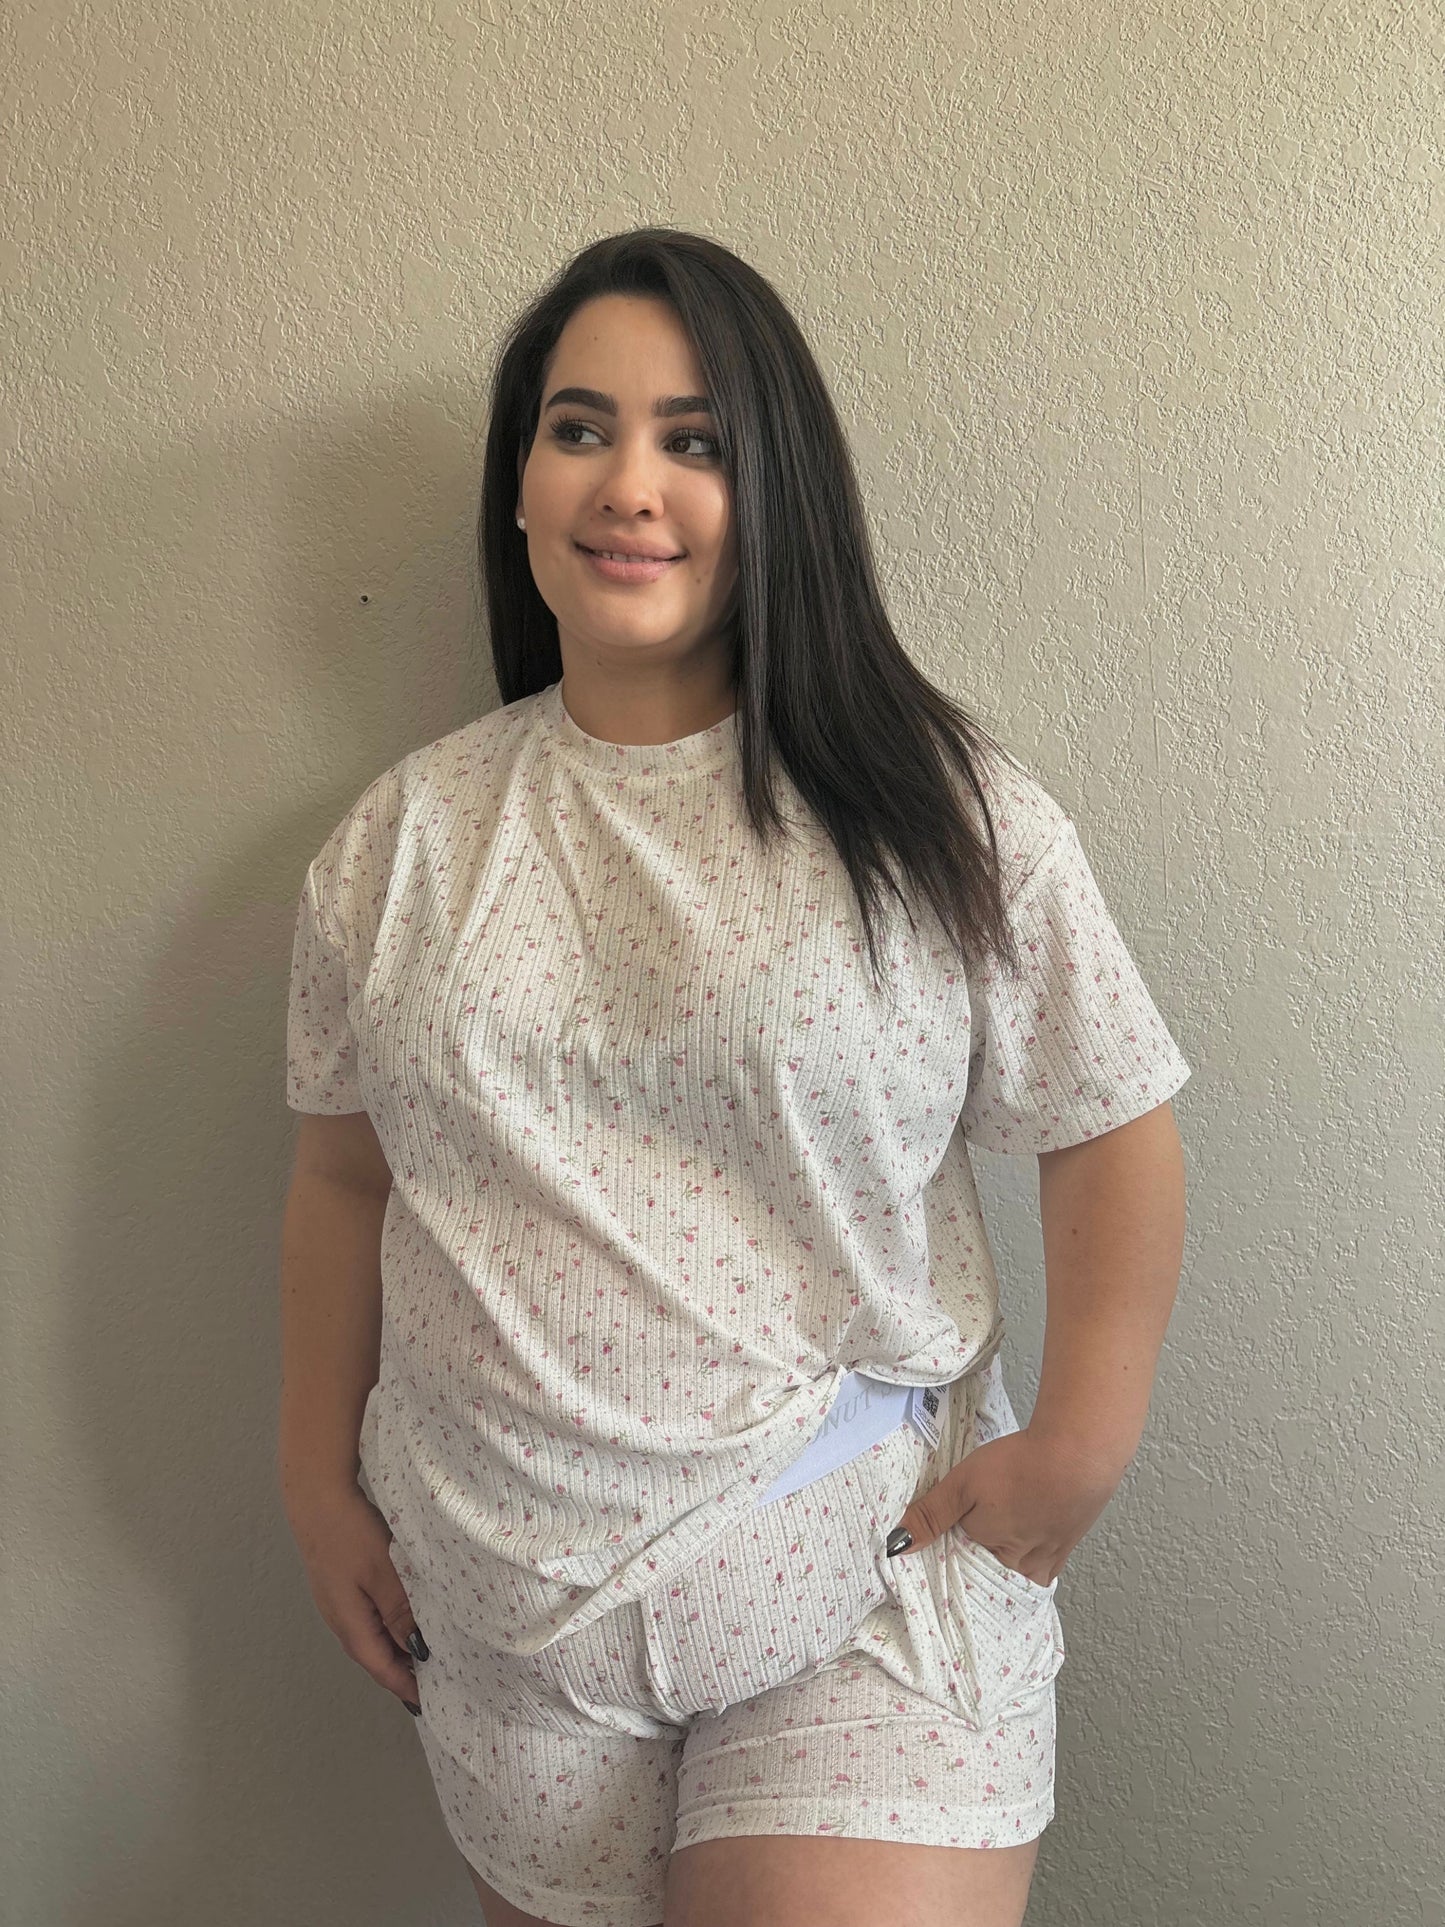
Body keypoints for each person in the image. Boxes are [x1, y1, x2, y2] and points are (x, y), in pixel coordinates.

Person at [278, 227, 1190, 1927]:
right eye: (579, 428)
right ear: (522, 488)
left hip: (854, 1575)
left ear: (774, 492)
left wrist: (1086, 1434)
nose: (630, 483)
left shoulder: (936, 810)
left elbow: (1110, 1118)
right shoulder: (395, 846)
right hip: (501, 1620)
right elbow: (344, 1177)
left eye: (693, 441)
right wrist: (310, 1476)